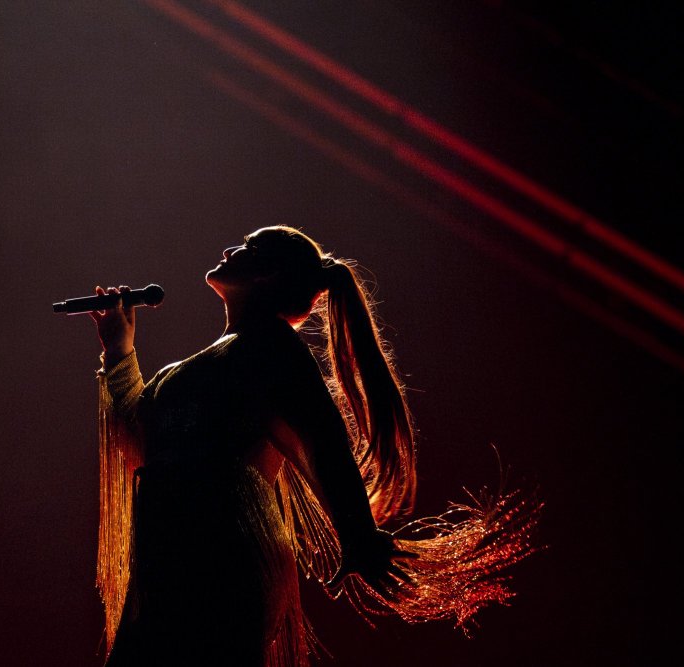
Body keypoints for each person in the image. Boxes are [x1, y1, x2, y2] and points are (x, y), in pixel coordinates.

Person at [88, 226, 540, 666]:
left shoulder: (272, 346)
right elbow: (143, 433)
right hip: (171, 557)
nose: (230, 249)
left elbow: (325, 441)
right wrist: (118, 347)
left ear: (267, 274)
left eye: (248, 246)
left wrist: (358, 535)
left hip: (217, 555)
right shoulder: (221, 355)